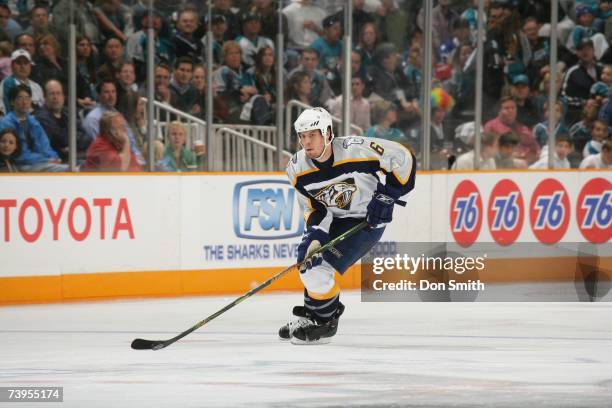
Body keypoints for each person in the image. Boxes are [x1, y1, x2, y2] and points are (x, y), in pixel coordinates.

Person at [280, 107, 415, 344]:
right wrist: (315, 236)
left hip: (366, 221)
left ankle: (324, 325)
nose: (306, 142)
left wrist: (387, 196)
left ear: (328, 132)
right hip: (334, 220)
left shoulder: (355, 148)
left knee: (317, 272)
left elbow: (403, 157)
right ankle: (314, 314)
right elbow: (314, 208)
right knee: (308, 265)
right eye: (302, 136)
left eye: (312, 135)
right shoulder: (296, 168)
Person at [0, 85, 67, 172]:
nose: (24, 102)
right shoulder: (6, 123)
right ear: (12, 102)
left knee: (68, 166)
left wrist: (55, 158)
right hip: (19, 164)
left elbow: (45, 146)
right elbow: (19, 154)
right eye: (20, 98)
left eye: (27, 98)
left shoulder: (33, 121)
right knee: (67, 169)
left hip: (39, 163)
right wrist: (46, 160)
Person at [35, 80, 91, 163]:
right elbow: (61, 138)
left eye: (58, 93)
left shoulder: (68, 112)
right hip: (57, 159)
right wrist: (73, 139)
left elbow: (87, 136)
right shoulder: (41, 117)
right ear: (45, 97)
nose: (55, 97)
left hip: (75, 155)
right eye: (52, 94)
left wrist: (70, 145)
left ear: (63, 97)